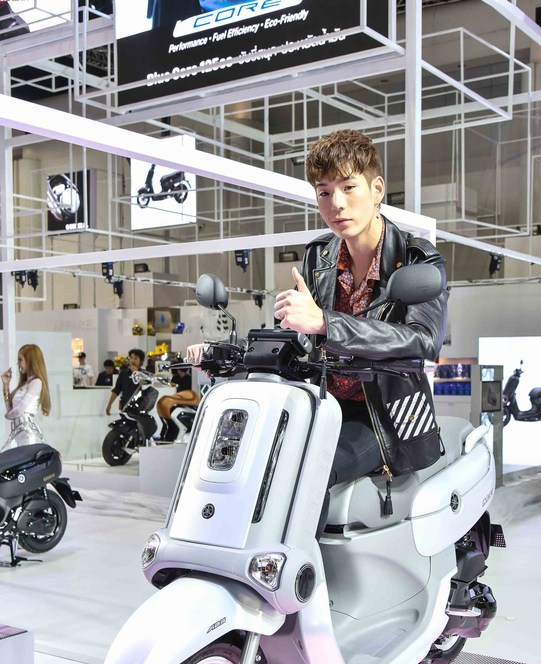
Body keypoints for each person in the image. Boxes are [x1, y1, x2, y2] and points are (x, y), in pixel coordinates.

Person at [188, 129, 448, 532]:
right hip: (319, 402)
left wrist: (326, 322)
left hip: (382, 415)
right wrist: (227, 353)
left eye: (348, 187)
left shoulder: (417, 259)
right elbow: (303, 342)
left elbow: (422, 341)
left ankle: (302, 569)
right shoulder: (319, 256)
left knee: (306, 471)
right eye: (324, 192)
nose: (336, 203)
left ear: (377, 189)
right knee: (246, 460)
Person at [1, 343, 51, 450]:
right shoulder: (25, 384)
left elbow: (19, 410)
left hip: (28, 432)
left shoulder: (36, 382)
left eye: (20, 360)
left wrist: (7, 416)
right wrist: (5, 386)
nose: (18, 363)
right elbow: (11, 410)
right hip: (19, 432)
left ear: (30, 360)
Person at [156, 368, 200, 441]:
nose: (180, 373)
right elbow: (172, 386)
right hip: (177, 399)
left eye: (181, 371)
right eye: (179, 371)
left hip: (184, 399)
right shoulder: (176, 377)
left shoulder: (188, 379)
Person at [105, 349, 146, 416]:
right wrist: (109, 404)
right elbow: (117, 390)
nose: (133, 360)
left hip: (140, 407)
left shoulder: (144, 374)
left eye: (136, 358)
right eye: (131, 358)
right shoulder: (124, 373)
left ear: (141, 361)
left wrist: (135, 373)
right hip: (125, 406)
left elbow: (143, 386)